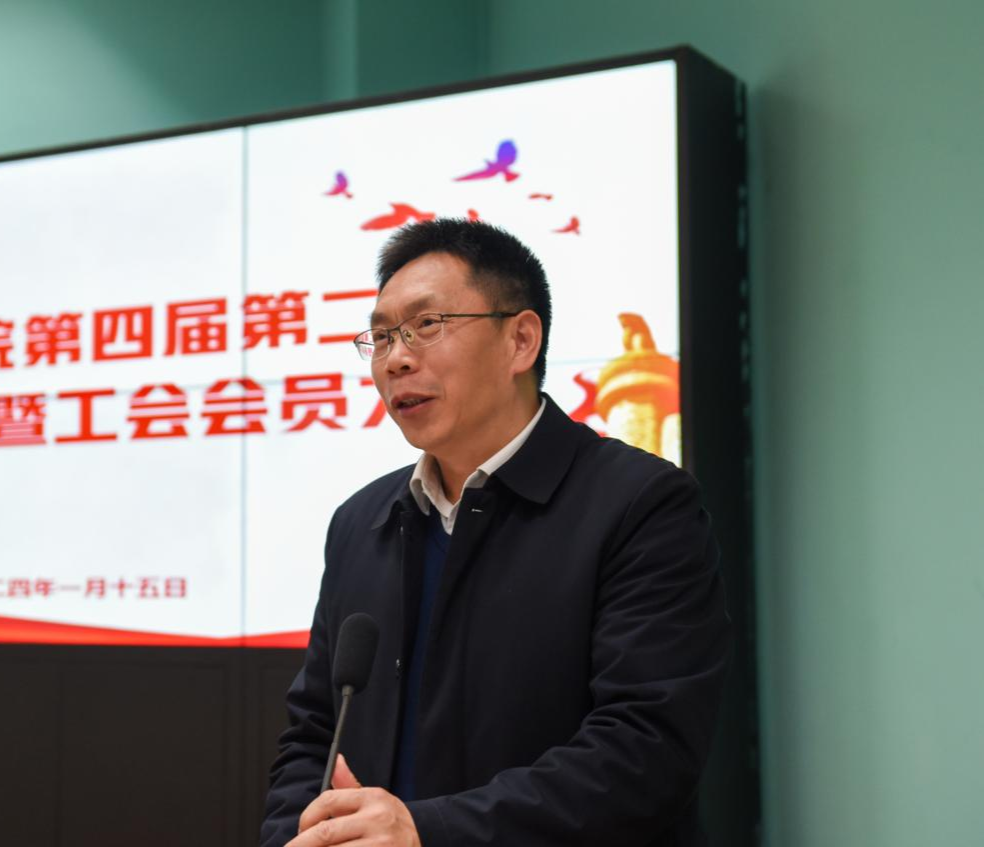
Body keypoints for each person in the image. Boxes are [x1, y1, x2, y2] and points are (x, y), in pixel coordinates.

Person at [260, 219, 730, 847]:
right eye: (381, 336)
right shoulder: (360, 521)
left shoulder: (639, 504)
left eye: (427, 325)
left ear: (521, 340)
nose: (396, 358)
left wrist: (428, 832)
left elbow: (645, 751)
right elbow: (315, 733)